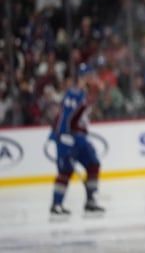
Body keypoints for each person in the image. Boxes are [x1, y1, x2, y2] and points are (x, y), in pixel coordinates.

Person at [49, 63, 105, 217]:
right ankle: (56, 204)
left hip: (80, 137)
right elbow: (66, 117)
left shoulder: (85, 94)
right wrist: (64, 136)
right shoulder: (74, 94)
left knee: (93, 164)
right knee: (65, 170)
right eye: (91, 76)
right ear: (84, 77)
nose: (94, 78)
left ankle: (91, 200)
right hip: (68, 136)